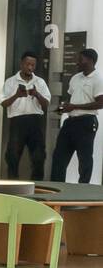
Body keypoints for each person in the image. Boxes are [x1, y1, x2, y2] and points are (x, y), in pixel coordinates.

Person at [51, 47, 103, 183]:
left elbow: (100, 103)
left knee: (84, 159)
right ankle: (57, 190)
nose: (77, 62)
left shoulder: (99, 79)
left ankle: (82, 190)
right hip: (70, 122)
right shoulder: (75, 78)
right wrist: (64, 107)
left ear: (90, 61)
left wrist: (75, 106)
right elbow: (71, 99)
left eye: (80, 59)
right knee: (58, 157)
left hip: (86, 122)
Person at [0, 52, 50, 181]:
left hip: (35, 121)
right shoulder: (11, 81)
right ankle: (12, 186)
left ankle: (37, 186)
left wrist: (37, 94)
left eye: (33, 65)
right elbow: (3, 103)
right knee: (12, 156)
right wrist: (16, 95)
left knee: (38, 157)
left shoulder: (40, 82)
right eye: (28, 64)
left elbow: (46, 104)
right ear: (21, 64)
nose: (30, 67)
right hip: (17, 122)